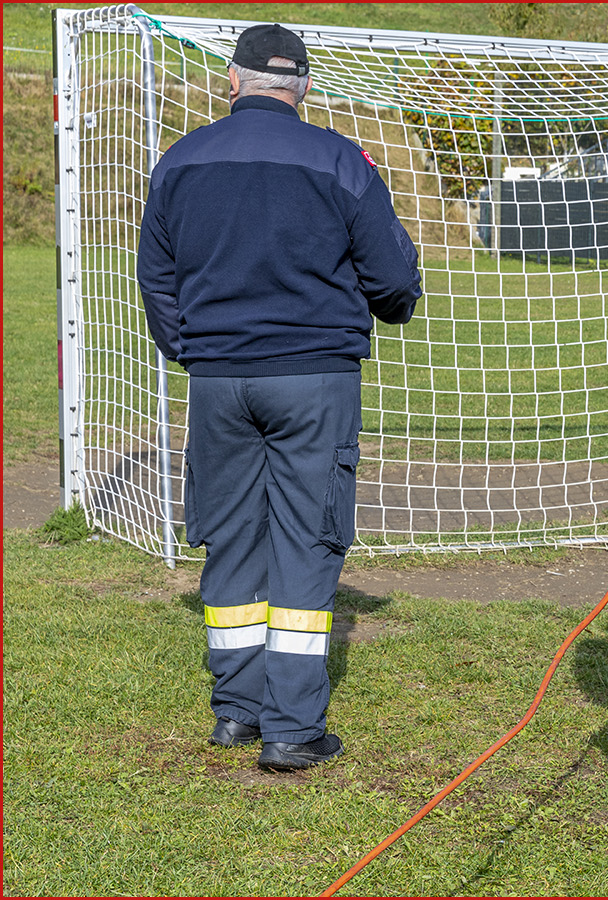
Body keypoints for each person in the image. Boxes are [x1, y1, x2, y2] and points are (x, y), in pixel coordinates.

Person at [136, 25, 422, 771]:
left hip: (218, 379)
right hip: (313, 377)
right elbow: (393, 281)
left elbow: (156, 279)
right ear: (303, 87)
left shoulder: (180, 160)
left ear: (232, 82)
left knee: (230, 535)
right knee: (306, 538)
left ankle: (235, 711)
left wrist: (194, 351)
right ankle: (293, 728)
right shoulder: (339, 159)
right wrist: (391, 300)